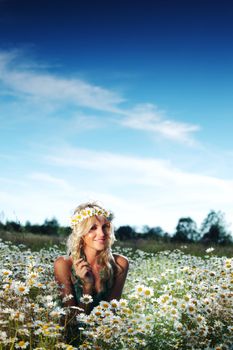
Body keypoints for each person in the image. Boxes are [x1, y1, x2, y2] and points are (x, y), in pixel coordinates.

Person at [54, 202, 129, 315]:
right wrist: (87, 287)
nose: (102, 233)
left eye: (105, 227)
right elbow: (70, 320)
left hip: (106, 329)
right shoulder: (64, 264)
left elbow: (112, 312)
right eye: (93, 228)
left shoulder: (120, 264)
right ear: (81, 233)